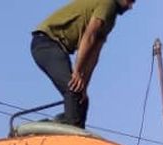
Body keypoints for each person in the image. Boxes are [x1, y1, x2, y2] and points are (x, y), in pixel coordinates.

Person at [31, 0, 135, 128]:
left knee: (82, 99)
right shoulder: (108, 4)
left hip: (57, 48)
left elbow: (94, 54)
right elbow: (89, 36)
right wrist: (77, 72)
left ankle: (73, 131)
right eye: (130, 1)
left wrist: (84, 85)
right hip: (46, 43)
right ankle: (68, 135)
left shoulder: (110, 19)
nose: (130, 7)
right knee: (73, 90)